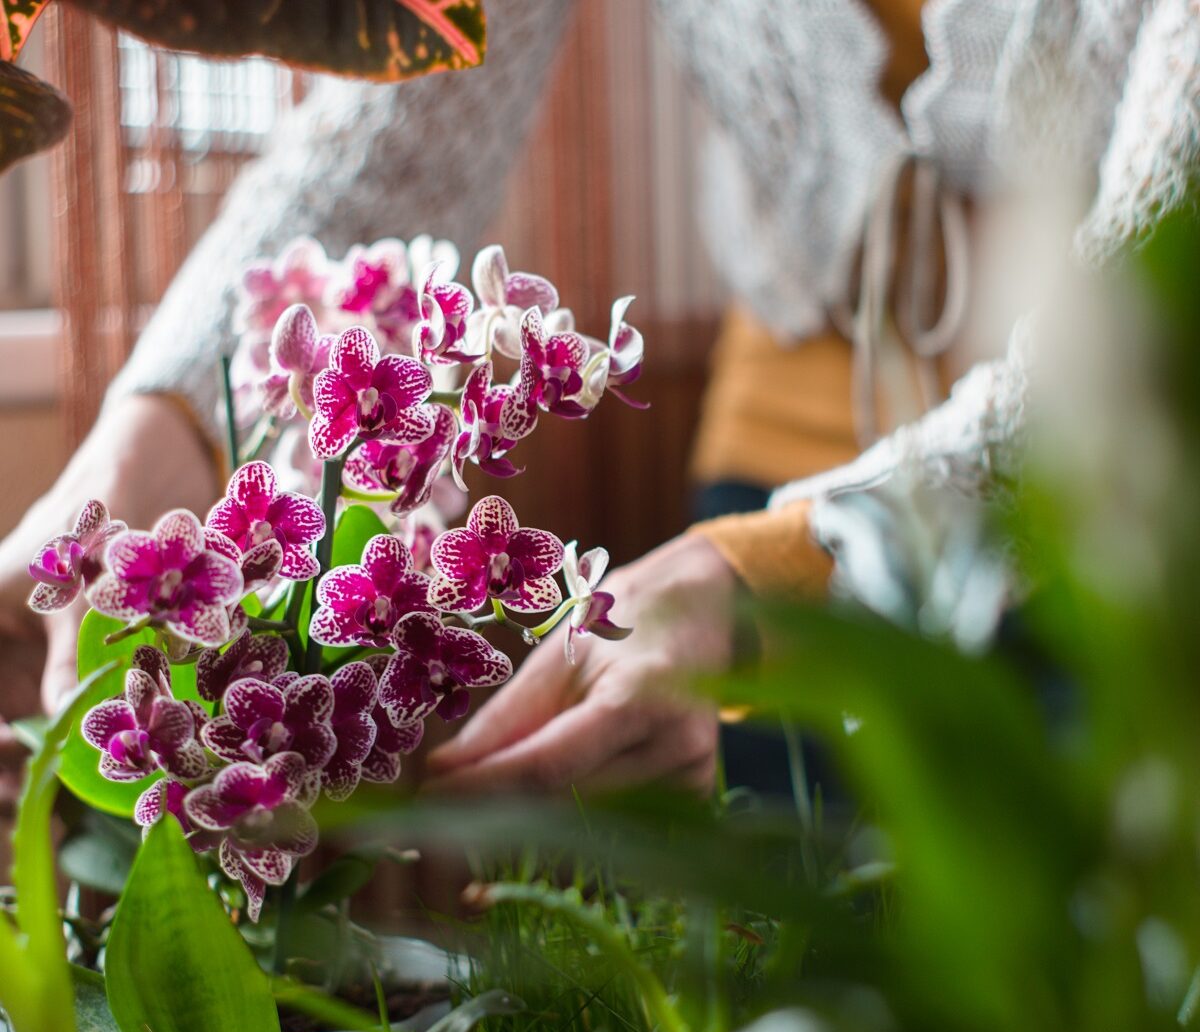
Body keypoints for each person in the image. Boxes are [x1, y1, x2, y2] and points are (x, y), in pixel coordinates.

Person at [0, 0, 1194, 799]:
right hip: (753, 512)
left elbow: (1171, 275)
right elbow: (402, 96)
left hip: (1112, 528)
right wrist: (160, 422)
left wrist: (789, 565)